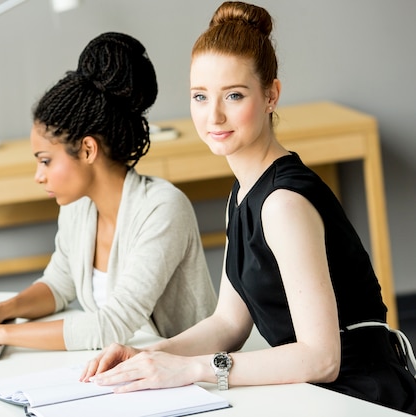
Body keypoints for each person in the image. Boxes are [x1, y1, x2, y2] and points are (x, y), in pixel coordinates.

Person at [80, 3, 416, 414]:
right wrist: (146, 355)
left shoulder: (283, 204)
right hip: (307, 392)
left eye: (234, 95)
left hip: (360, 396)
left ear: (271, 94)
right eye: (200, 97)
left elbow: (322, 359)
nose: (213, 115)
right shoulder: (243, 193)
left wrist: (191, 370)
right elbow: (229, 324)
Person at [0, 32, 217, 352]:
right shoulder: (79, 207)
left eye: (46, 161)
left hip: (187, 375)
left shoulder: (163, 208)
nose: (38, 176)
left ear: (87, 150)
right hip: (121, 370)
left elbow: (113, 325)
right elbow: (58, 285)